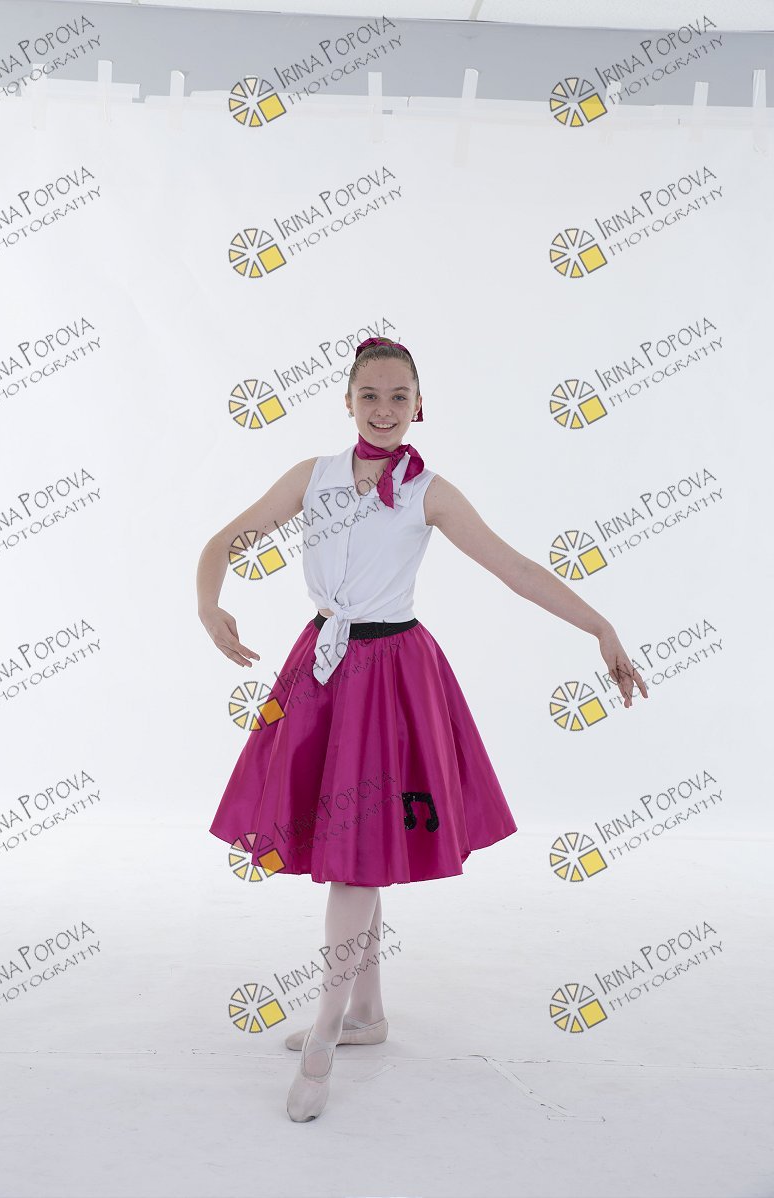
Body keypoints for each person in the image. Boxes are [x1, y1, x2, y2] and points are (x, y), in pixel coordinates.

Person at [196, 335, 648, 1123]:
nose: (384, 409)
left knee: (355, 857)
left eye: (398, 396)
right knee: (353, 851)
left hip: (393, 678)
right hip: (321, 668)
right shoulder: (311, 476)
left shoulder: (429, 492)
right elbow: (223, 542)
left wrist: (600, 626)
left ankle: (326, 1033)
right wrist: (211, 605)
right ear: (347, 402)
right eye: (369, 395)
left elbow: (515, 569)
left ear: (419, 406)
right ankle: (366, 1013)